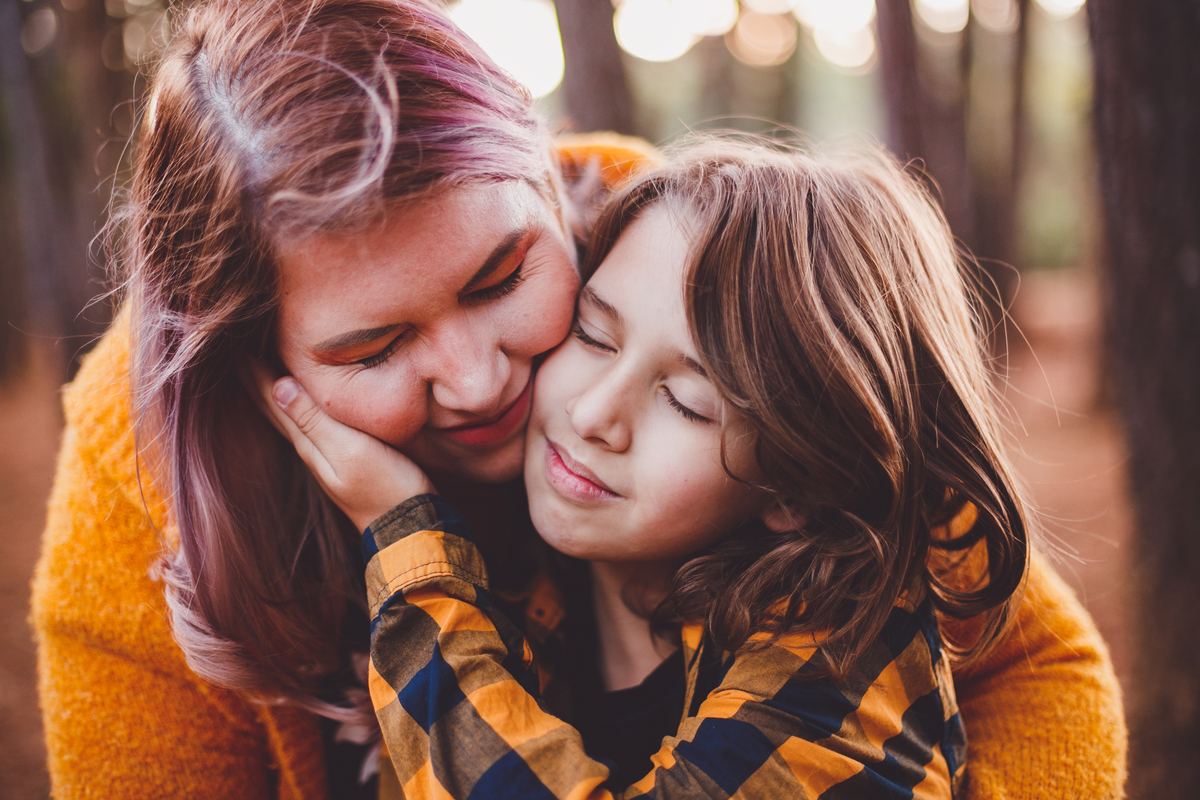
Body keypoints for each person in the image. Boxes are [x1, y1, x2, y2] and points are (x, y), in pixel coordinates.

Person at [31, 0, 1125, 798]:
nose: (479, 380)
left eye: (502, 277)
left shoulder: (686, 264)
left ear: (547, 181)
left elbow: (1034, 659)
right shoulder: (136, 481)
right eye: (372, 345)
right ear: (252, 369)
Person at [262, 141, 1031, 798]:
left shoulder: (843, 664)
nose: (596, 413)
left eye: (689, 404)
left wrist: (403, 542)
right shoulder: (530, 592)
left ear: (797, 488)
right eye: (595, 336)